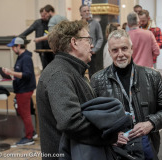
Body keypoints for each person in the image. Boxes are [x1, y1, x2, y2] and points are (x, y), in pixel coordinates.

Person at [36, 20, 123, 159]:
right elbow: (71, 121)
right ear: (74, 42)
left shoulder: (71, 70)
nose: (92, 45)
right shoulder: (59, 74)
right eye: (88, 39)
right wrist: (108, 137)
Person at [90, 29, 162, 160]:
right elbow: (92, 118)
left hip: (146, 143)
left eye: (124, 48)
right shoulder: (97, 80)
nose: (120, 54)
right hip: (114, 149)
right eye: (115, 50)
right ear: (109, 52)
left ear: (132, 49)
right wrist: (110, 136)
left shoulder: (152, 76)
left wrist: (150, 123)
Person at [3, 37, 36, 145]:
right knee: (22, 112)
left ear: (18, 46)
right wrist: (8, 72)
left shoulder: (25, 58)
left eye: (13, 47)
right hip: (21, 89)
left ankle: (29, 137)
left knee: (25, 113)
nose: (12, 49)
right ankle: (31, 132)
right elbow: (20, 71)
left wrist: (11, 73)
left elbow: (27, 75)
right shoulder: (21, 57)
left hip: (24, 90)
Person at [80, 4, 103, 78]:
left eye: (88, 10)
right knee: (81, 73)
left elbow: (100, 38)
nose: (87, 12)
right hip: (81, 53)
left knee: (93, 74)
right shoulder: (78, 24)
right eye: (84, 11)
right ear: (80, 13)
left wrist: (95, 49)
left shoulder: (95, 23)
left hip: (92, 53)